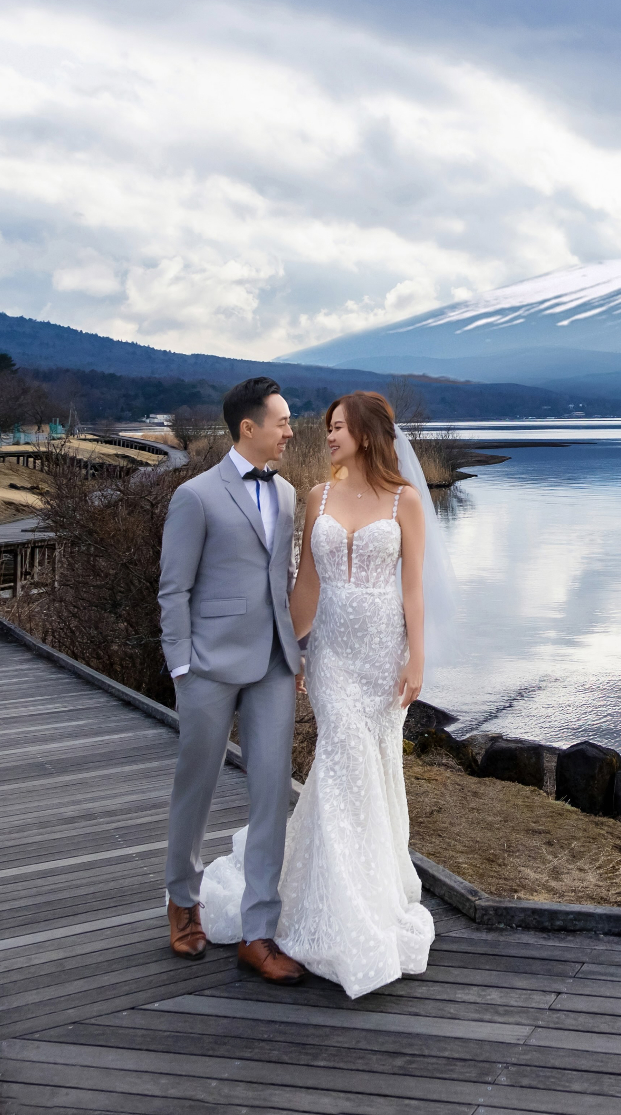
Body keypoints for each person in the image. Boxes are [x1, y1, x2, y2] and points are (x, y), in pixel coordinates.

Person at [196, 390, 438, 995]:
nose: (326, 436)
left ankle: (365, 892)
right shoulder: (316, 497)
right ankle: (334, 906)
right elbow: (306, 587)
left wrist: (418, 658)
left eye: (337, 427)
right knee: (341, 762)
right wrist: (286, 647)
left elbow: (414, 592)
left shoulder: (406, 501)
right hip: (330, 655)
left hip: (382, 656)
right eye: (326, 427)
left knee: (370, 766)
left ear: (366, 432)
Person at [158, 376, 305, 984]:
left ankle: (258, 932)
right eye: (283, 422)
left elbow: (286, 578)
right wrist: (182, 666)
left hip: (274, 663)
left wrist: (298, 652)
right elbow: (174, 588)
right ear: (249, 428)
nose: (291, 432)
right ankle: (182, 901)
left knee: (273, 792)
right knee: (196, 785)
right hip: (208, 667)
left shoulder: (290, 494)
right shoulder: (195, 496)